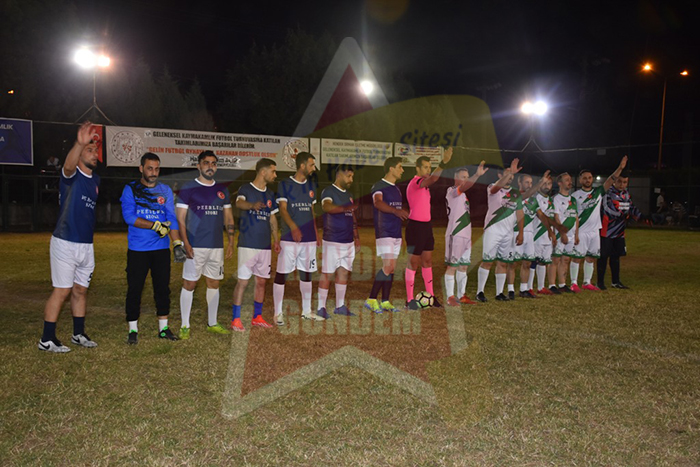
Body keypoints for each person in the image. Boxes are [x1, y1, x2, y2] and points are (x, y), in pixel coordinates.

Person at [39, 122, 100, 352]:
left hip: (86, 245)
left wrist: (85, 146)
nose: (94, 154)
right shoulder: (71, 176)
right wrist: (79, 144)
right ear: (80, 154)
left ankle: (78, 334)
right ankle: (46, 339)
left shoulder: (96, 180)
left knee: (80, 290)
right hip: (65, 242)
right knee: (62, 290)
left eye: (95, 151)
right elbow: (67, 166)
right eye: (89, 150)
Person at [120, 152, 187, 345]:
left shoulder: (165, 190)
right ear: (141, 168)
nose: (153, 172)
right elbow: (129, 217)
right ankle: (133, 329)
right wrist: (155, 225)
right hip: (138, 249)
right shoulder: (131, 189)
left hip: (160, 249)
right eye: (150, 168)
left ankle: (163, 329)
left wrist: (177, 243)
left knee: (162, 289)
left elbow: (171, 218)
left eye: (157, 169)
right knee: (135, 289)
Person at [176, 151, 234, 339]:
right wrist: (186, 242)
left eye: (213, 163)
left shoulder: (222, 190)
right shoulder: (188, 188)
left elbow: (228, 217)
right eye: (206, 163)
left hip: (216, 245)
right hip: (195, 245)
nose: (210, 166)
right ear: (199, 165)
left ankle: (212, 323)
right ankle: (185, 325)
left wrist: (231, 241)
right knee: (190, 283)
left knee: (213, 283)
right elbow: (180, 218)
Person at [273, 152, 323, 324]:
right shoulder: (285, 184)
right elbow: (283, 209)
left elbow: (311, 211)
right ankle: (278, 313)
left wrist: (316, 234)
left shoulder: (311, 186)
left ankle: (307, 311)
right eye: (311, 164)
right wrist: (293, 227)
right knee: (282, 274)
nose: (313, 168)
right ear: (302, 165)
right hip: (289, 238)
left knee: (306, 274)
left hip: (309, 238)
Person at [231, 158, 280, 331]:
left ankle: (257, 317)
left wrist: (276, 239)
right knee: (243, 282)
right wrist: (252, 205)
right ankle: (236, 319)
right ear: (263, 172)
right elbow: (239, 202)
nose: (275, 175)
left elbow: (272, 218)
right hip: (248, 244)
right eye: (273, 171)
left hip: (264, 245)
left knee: (261, 282)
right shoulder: (246, 189)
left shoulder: (270, 194)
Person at [405, 148, 454, 309]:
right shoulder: (416, 183)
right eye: (425, 167)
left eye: (429, 167)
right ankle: (409, 300)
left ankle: (431, 296)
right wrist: (443, 163)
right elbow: (433, 179)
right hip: (415, 227)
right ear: (417, 168)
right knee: (413, 263)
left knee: (427, 261)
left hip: (426, 227)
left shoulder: (425, 187)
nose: (428, 170)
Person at [570, 156, 628, 291]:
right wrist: (575, 232)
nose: (587, 180)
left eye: (590, 178)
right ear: (580, 180)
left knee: (591, 257)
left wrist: (620, 168)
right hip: (581, 231)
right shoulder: (575, 196)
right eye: (585, 178)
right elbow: (572, 216)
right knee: (577, 257)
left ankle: (587, 282)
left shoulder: (598, 192)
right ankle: (573, 283)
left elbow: (611, 180)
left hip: (595, 231)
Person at [364, 157, 409, 313]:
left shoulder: (396, 189)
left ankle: (385, 301)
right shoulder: (379, 185)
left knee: (392, 268)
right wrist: (395, 211)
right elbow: (377, 202)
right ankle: (371, 299)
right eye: (400, 167)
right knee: (388, 266)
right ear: (391, 168)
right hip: (384, 232)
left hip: (396, 232)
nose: (402, 170)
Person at [475, 158, 524, 302]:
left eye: (512, 175)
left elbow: (520, 214)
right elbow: (496, 188)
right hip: (493, 231)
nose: (511, 177)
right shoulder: (493, 188)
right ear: (499, 175)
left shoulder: (516, 193)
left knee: (503, 263)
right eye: (507, 174)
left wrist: (520, 232)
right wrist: (510, 173)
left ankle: (499, 293)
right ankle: (480, 292)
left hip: (508, 233)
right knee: (488, 262)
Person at [317, 165, 360, 318]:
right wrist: (345, 208)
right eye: (349, 176)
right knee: (327, 274)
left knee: (343, 272)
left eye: (352, 176)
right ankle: (321, 308)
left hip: (348, 241)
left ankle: (340, 306)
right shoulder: (328, 191)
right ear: (339, 175)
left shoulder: (348, 195)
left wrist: (356, 237)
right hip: (333, 240)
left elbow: (352, 216)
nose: (351, 179)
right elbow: (326, 206)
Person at [443, 162, 488, 306]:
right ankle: (450, 297)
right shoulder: (452, 191)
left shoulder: (463, 195)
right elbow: (464, 186)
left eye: (467, 177)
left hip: (465, 236)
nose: (466, 179)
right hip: (455, 234)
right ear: (456, 178)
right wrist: (476, 176)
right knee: (452, 266)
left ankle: (461, 295)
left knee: (463, 267)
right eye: (463, 177)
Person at [506, 170, 551, 299]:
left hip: (530, 234)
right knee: (513, 263)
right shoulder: (514, 195)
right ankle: (510, 290)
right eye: (527, 182)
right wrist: (541, 182)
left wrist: (551, 229)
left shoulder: (533, 200)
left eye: (531, 183)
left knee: (527, 263)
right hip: (515, 232)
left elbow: (541, 215)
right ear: (519, 182)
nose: (529, 185)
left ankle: (524, 289)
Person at [597, 170, 642, 290]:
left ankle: (615, 282)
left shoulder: (626, 194)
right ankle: (600, 283)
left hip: (619, 232)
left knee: (616, 256)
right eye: (620, 181)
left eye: (625, 182)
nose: (622, 184)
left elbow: (631, 207)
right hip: (607, 231)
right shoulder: (607, 193)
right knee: (603, 257)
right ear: (614, 181)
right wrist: (625, 215)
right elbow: (608, 210)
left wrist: (639, 215)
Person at [530, 174, 559, 295]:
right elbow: (540, 216)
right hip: (537, 234)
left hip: (547, 237)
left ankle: (540, 287)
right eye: (544, 183)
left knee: (543, 261)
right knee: (533, 261)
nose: (547, 186)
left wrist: (554, 233)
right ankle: (529, 287)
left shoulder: (551, 200)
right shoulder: (535, 198)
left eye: (549, 184)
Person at [551, 173, 579, 294]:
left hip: (571, 235)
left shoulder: (573, 200)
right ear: (560, 183)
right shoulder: (556, 199)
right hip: (560, 234)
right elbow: (556, 217)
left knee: (566, 259)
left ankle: (562, 284)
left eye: (570, 180)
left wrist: (576, 234)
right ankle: (552, 285)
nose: (570, 182)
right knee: (555, 259)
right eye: (567, 180)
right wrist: (562, 234)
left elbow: (576, 217)